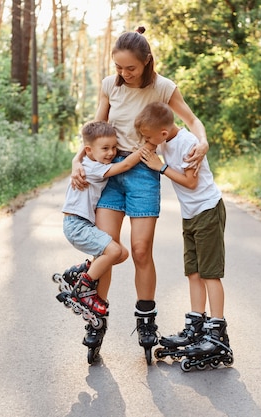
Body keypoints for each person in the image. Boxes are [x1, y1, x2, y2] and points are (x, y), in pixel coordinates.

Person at [70, 26, 210, 359]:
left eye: (130, 68)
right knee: (105, 249)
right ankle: (95, 319)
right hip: (111, 173)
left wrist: (202, 143)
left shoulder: (163, 87)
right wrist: (78, 160)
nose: (123, 73)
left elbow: (192, 120)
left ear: (146, 62)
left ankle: (146, 319)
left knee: (141, 250)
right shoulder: (109, 86)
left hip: (145, 172)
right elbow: (94, 132)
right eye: (119, 67)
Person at [136, 102, 232, 365]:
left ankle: (216, 332)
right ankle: (196, 325)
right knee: (193, 271)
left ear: (164, 133)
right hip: (190, 214)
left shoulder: (188, 143)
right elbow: (149, 146)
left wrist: (161, 167)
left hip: (207, 210)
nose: (147, 142)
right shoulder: (164, 141)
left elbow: (191, 181)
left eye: (148, 137)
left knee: (210, 273)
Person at [58, 121, 155, 338]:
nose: (111, 153)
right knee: (112, 252)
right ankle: (82, 291)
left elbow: (84, 152)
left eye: (114, 147)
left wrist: (77, 158)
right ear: (90, 150)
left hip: (79, 224)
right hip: (77, 225)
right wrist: (146, 147)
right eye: (105, 148)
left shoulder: (85, 160)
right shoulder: (92, 167)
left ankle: (79, 272)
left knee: (121, 253)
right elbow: (125, 166)